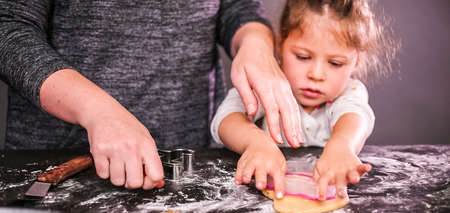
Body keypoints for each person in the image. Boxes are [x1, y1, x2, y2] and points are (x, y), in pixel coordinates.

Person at [0, 1, 304, 189]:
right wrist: (96, 110)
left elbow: (239, 8)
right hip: (58, 167)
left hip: (193, 162)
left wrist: (255, 43)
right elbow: (9, 27)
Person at [211, 0, 397, 200]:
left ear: (356, 62)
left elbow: (355, 115)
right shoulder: (268, 84)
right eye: (302, 57)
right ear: (280, 44)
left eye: (335, 63)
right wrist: (255, 142)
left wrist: (343, 145)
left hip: (324, 195)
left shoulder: (349, 91)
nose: (316, 74)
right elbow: (225, 118)